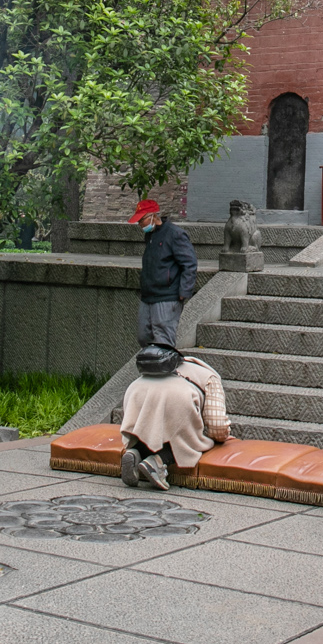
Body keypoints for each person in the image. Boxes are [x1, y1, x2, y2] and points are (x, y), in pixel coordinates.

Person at [119, 344, 233, 489]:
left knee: (149, 429)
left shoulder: (160, 365)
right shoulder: (211, 377)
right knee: (190, 440)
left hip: (135, 391)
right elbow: (217, 425)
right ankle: (157, 462)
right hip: (178, 397)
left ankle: (135, 452)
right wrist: (219, 438)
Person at [133, 198, 198, 345]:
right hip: (148, 295)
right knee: (144, 337)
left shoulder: (175, 234)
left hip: (168, 296)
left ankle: (165, 367)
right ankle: (152, 366)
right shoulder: (149, 235)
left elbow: (190, 263)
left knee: (163, 340)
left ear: (153, 216)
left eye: (141, 220)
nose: (139, 224)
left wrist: (183, 292)